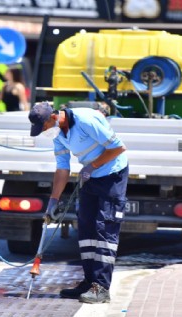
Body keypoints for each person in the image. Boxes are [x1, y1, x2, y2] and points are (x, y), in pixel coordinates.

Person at [28, 102, 128, 304]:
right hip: (91, 177)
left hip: (112, 174)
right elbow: (62, 168)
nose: (45, 132)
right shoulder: (58, 135)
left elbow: (117, 147)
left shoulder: (85, 120)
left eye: (44, 128)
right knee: (87, 228)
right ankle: (90, 281)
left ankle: (101, 288)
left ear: (53, 118)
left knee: (104, 230)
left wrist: (93, 166)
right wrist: (53, 201)